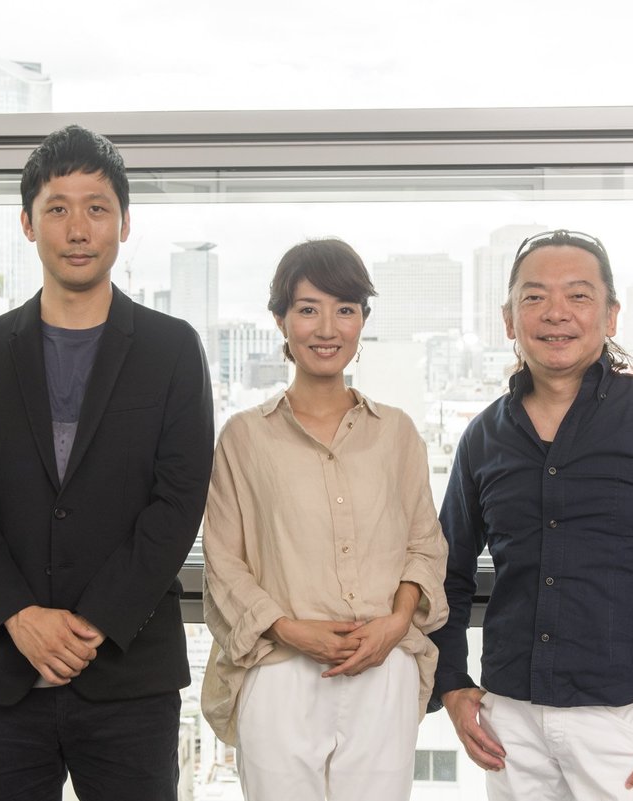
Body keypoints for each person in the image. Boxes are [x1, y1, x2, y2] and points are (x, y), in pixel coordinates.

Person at [0, 125, 214, 801]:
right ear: (28, 224)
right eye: (57, 208)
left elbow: (178, 501)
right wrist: (20, 618)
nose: (78, 229)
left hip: (129, 679)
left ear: (124, 224)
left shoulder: (172, 349)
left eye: (96, 208)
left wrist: (91, 627)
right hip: (3, 679)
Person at [431, 229, 633, 801]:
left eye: (578, 295)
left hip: (630, 720)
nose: (556, 313)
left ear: (611, 315)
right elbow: (447, 572)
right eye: (534, 297)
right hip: (509, 721)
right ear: (509, 320)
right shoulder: (484, 435)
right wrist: (452, 682)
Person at [200, 238, 448, 801]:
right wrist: (289, 629)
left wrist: (396, 622)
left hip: (383, 665)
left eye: (345, 309)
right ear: (281, 321)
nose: (328, 328)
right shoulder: (244, 436)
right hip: (280, 668)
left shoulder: (397, 432)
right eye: (308, 309)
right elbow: (224, 561)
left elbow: (425, 545)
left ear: (363, 321)